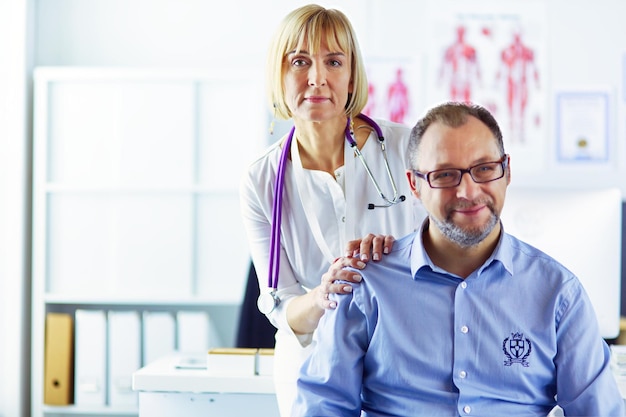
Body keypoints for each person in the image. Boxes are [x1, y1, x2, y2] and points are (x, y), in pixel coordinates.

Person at [293, 102, 625, 416]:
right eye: (445, 175)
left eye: (484, 168)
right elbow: (322, 406)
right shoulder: (366, 284)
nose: (467, 191)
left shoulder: (558, 294)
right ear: (415, 185)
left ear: (507, 171)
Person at [239, 4, 426, 416]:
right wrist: (322, 296)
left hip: (403, 363)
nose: (317, 78)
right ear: (279, 74)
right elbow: (281, 307)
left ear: (352, 74)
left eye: (334, 61)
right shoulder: (262, 180)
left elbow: (447, 260)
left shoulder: (406, 149)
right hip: (311, 370)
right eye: (300, 61)